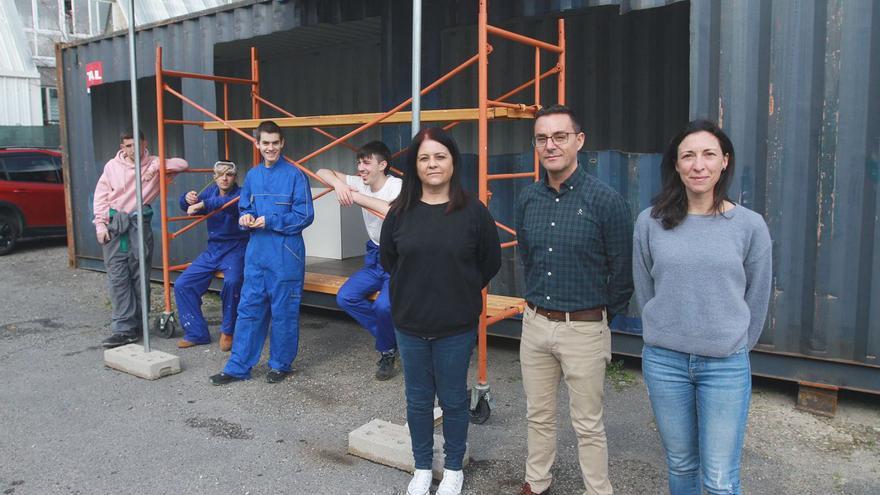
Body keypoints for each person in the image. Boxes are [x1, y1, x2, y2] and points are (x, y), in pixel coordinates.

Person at [633, 120, 772, 495]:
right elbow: (646, 289)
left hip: (725, 365)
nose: (699, 165)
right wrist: (662, 332)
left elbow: (757, 296)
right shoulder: (650, 222)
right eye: (688, 156)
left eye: (709, 154)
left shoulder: (749, 226)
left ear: (724, 162)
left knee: (720, 478)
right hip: (665, 363)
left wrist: (733, 343)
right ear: (676, 165)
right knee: (681, 465)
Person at [514, 104, 633, 495]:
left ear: (579, 141)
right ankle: (537, 481)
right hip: (535, 325)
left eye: (559, 136)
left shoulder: (606, 201)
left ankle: (597, 490)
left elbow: (623, 274)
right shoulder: (528, 199)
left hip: (583, 327)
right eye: (542, 138)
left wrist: (596, 318)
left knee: (587, 423)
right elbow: (527, 258)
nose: (550, 145)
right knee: (538, 415)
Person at [380, 127, 501, 495]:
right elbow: (389, 262)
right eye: (424, 158)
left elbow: (489, 262)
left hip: (455, 326)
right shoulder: (399, 213)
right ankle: (420, 466)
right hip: (411, 324)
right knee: (417, 400)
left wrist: (457, 289)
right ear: (414, 166)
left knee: (452, 399)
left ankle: (452, 469)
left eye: (440, 156)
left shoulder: (474, 212)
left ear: (453, 162)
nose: (432, 164)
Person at [210, 120, 314, 385]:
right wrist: (246, 218)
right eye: (265, 143)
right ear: (257, 144)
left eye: (275, 143)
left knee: (283, 311)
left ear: (282, 144)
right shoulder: (253, 176)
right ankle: (238, 366)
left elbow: (304, 216)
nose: (270, 148)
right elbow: (246, 208)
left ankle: (281, 364)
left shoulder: (295, 175)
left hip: (285, 255)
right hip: (256, 254)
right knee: (249, 308)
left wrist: (270, 220)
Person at [94, 130, 188, 348]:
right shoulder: (112, 166)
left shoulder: (154, 163)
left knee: (140, 277)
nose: (131, 150)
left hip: (138, 225)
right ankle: (123, 327)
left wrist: (155, 168)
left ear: (144, 143)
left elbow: (182, 164)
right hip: (115, 224)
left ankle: (137, 323)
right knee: (118, 277)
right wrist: (100, 224)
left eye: (136, 145)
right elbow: (101, 197)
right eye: (127, 146)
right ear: (122, 146)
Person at [316, 141, 402, 380]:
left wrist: (353, 196)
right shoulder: (359, 182)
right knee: (346, 297)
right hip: (374, 256)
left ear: (383, 165)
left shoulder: (398, 186)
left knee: (383, 306)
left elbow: (388, 211)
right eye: (359, 162)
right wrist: (337, 185)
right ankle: (392, 338)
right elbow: (321, 172)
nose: (360, 168)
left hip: (397, 259)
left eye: (366, 163)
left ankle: (386, 351)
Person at [174, 160, 248, 351]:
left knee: (232, 282)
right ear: (214, 176)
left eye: (229, 174)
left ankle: (229, 331)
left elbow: (225, 204)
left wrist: (201, 204)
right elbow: (185, 205)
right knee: (183, 284)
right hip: (213, 249)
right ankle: (196, 333)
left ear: (235, 177)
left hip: (237, 248)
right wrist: (187, 198)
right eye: (220, 174)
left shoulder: (241, 194)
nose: (224, 178)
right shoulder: (210, 192)